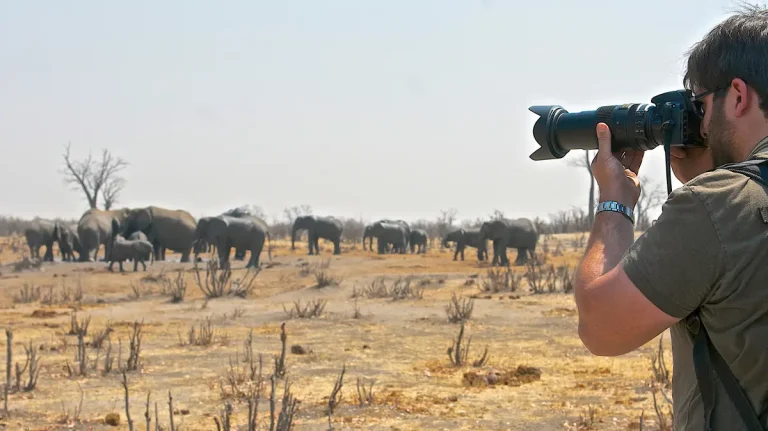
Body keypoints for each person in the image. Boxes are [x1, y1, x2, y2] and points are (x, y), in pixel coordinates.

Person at [572, 5, 768, 431]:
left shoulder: (719, 205)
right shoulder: (729, 201)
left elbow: (602, 327)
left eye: (699, 105)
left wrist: (615, 200)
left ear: (737, 96)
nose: (698, 122)